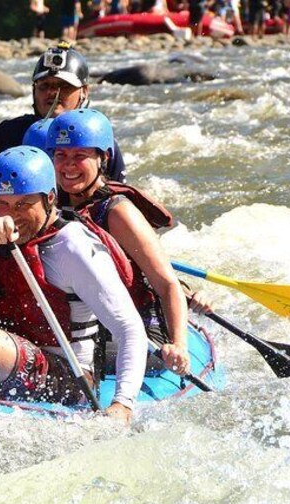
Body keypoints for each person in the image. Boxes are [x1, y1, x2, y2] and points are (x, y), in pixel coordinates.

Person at [0, 146, 148, 423]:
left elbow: (129, 327)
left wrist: (123, 403)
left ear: (50, 198)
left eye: (23, 205)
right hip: (1, 352)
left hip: (66, 377)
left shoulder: (73, 245)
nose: (10, 215)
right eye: (3, 204)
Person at [47, 109, 192, 375]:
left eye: (80, 156)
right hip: (85, 323)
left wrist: (179, 345)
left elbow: (167, 284)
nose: (68, 166)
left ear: (104, 158)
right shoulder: (50, 203)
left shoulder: (118, 212)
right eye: (61, 155)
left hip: (141, 333)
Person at [0, 42, 127, 213]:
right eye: (44, 86)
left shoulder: (99, 140)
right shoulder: (6, 134)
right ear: (34, 90)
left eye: (64, 86)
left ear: (84, 91)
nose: (52, 93)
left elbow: (119, 197)